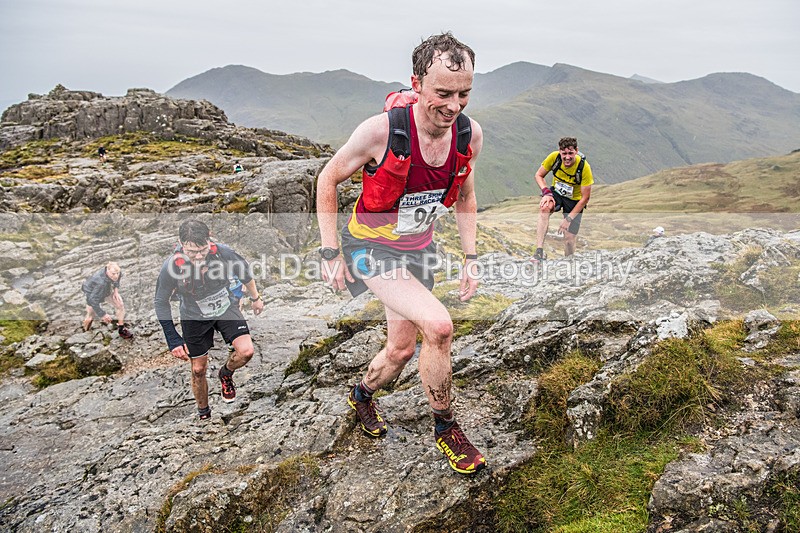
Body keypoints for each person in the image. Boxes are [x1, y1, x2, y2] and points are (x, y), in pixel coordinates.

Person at [316, 32, 486, 475]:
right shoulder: (380, 132)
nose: (454, 106)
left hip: (417, 251)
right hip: (369, 248)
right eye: (443, 94)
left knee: (400, 350)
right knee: (439, 326)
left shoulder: (469, 136)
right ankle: (446, 427)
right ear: (416, 84)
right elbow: (327, 180)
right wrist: (330, 251)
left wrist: (470, 258)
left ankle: (361, 395)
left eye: (464, 93)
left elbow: (465, 195)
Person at [154, 219, 265, 420]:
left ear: (209, 239)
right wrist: (173, 339)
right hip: (193, 315)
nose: (198, 256)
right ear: (180, 243)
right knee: (198, 369)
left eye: (202, 250)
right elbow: (160, 302)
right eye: (191, 252)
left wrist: (255, 298)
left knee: (246, 352)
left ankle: (226, 373)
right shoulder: (171, 267)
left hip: (224, 306)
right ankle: (204, 413)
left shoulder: (223, 252)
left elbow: (245, 274)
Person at [532, 137, 594, 260]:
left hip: (575, 200)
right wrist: (546, 192)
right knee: (545, 207)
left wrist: (568, 219)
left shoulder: (584, 167)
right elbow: (539, 175)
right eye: (564, 153)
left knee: (569, 240)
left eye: (570, 153)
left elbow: (585, 198)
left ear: (576, 151)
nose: (567, 157)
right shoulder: (554, 158)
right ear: (559, 151)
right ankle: (539, 251)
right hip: (557, 193)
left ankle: (569, 262)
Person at [81, 261, 133, 339]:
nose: (116, 276)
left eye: (117, 273)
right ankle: (85, 333)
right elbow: (92, 300)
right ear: (107, 270)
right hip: (91, 294)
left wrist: (116, 291)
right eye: (113, 274)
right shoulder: (100, 281)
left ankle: (121, 329)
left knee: (120, 305)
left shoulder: (116, 272)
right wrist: (103, 314)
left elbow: (117, 279)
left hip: (106, 291)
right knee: (90, 317)